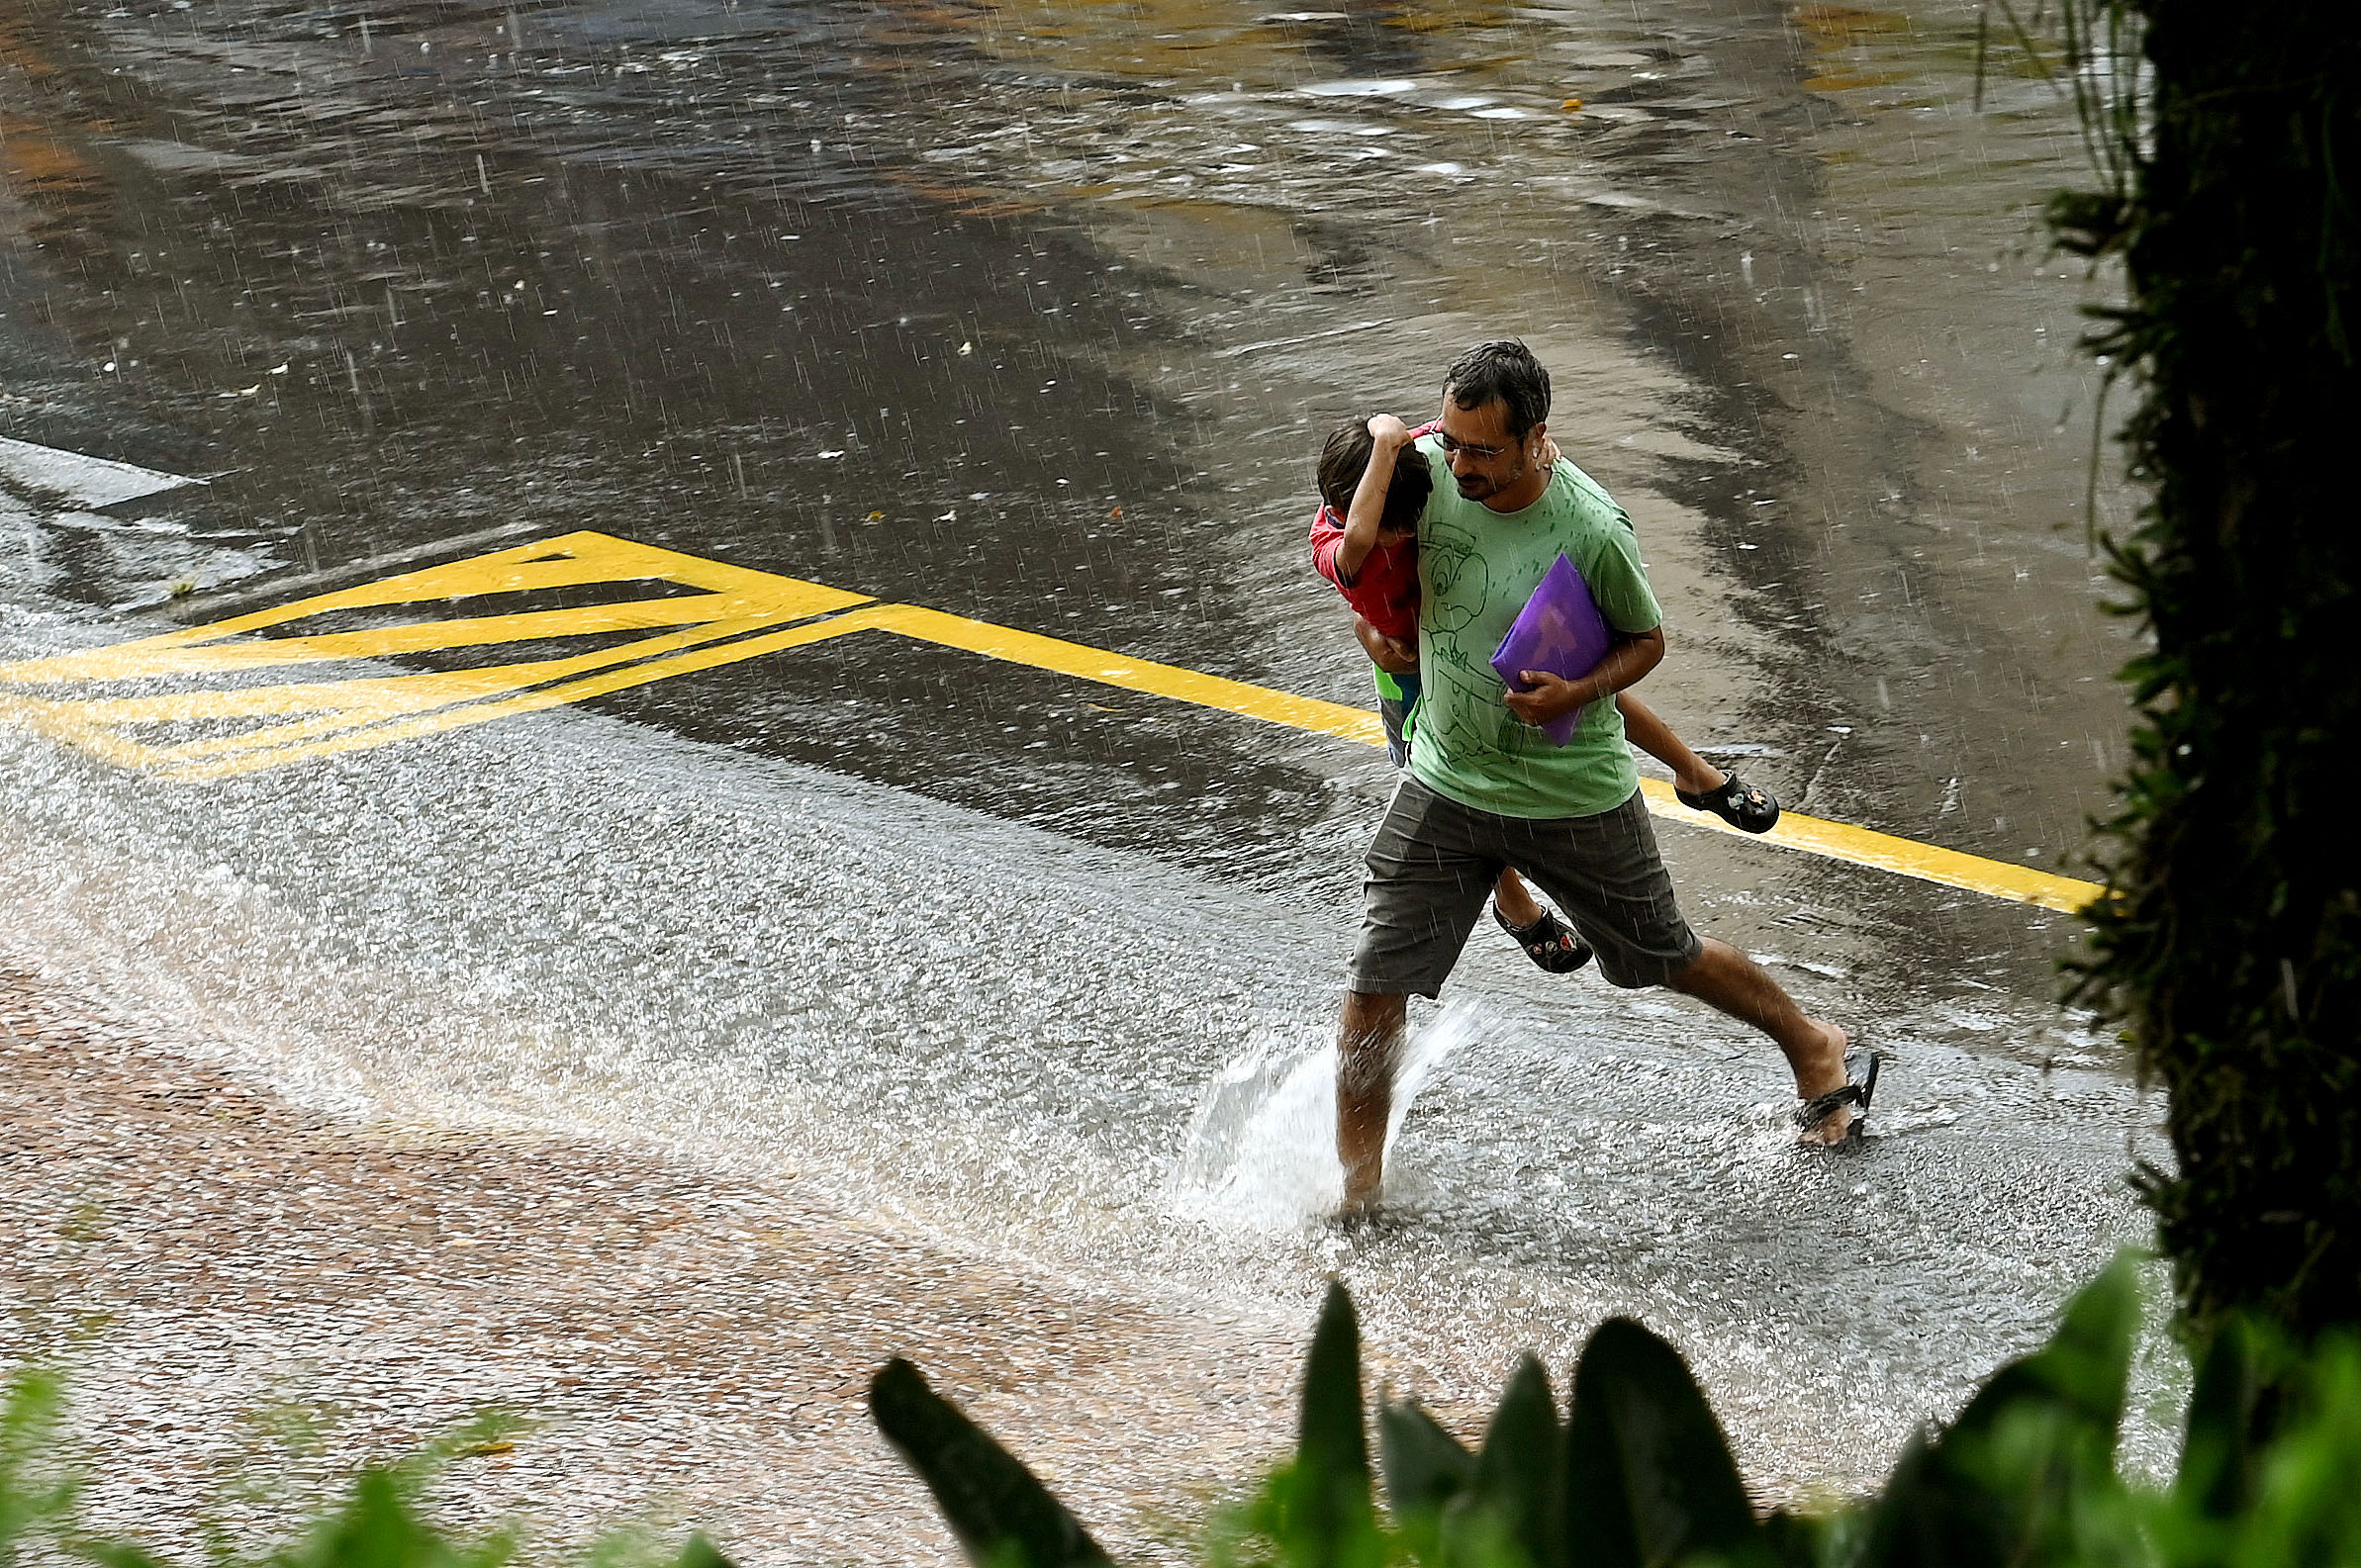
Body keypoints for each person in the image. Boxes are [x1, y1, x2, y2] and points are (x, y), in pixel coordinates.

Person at [1332, 340, 1876, 1213]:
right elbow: (1344, 531)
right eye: (1453, 441)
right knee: (1372, 991)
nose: (1458, 465)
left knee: (1667, 956)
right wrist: (1371, 630)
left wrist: (1576, 691)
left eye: (1481, 450)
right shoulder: (1422, 467)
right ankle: (1359, 1196)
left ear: (1535, 437)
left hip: (1569, 793)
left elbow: (1646, 640)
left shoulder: (1591, 526)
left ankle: (1813, 1042)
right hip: (1445, 779)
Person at [1310, 417, 1782, 985]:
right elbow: (1358, 550)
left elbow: (1450, 432)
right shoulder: (1335, 538)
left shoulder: (1403, 476)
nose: (1409, 532)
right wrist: (1367, 628)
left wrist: (1528, 446)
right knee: (1455, 786)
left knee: (1586, 694)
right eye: (1395, 527)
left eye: (1413, 519)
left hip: (1467, 628)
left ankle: (1694, 774)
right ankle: (1514, 904)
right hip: (1413, 672)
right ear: (1344, 509)